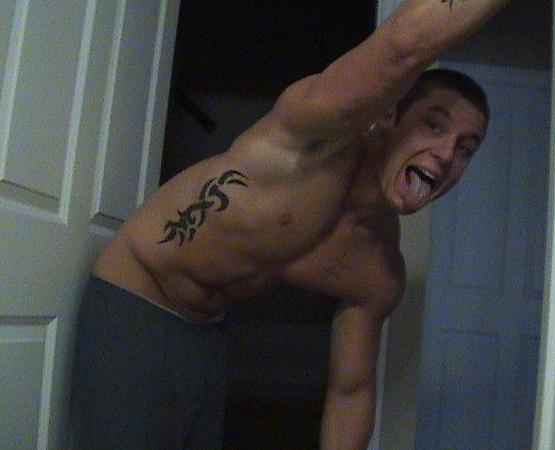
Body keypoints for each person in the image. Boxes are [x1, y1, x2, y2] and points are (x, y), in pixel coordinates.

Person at [70, 0, 509, 448]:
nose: (447, 154)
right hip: (137, 299)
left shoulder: (378, 272)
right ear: (390, 114)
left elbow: (351, 393)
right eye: (433, 126)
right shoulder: (317, 136)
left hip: (209, 333)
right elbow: (402, 45)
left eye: (465, 148)